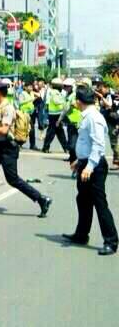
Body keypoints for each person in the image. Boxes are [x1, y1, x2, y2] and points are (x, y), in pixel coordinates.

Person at [0, 80, 52, 217]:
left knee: (12, 179)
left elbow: (3, 130)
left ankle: (41, 199)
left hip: (8, 148)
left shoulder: (8, 108)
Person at [63, 86, 118, 256]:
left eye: (75, 100)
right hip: (86, 163)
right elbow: (87, 143)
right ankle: (81, 234)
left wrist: (89, 166)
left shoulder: (94, 118)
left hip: (94, 167)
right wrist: (80, 161)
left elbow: (99, 145)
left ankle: (111, 240)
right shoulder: (87, 116)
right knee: (83, 200)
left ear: (79, 102)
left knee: (99, 203)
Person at [58, 78, 81, 168]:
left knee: (78, 146)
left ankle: (79, 164)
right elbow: (65, 109)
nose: (66, 88)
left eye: (68, 86)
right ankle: (73, 164)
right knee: (72, 146)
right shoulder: (67, 95)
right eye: (65, 86)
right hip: (71, 124)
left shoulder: (76, 95)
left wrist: (74, 104)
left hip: (79, 124)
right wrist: (59, 119)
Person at [42, 78, 69, 154]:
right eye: (61, 85)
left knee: (59, 132)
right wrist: (65, 102)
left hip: (57, 114)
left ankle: (65, 148)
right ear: (58, 86)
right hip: (54, 115)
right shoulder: (55, 93)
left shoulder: (56, 92)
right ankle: (46, 147)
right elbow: (56, 101)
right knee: (52, 132)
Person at [96, 82, 119, 168]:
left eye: (101, 89)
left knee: (114, 142)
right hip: (111, 121)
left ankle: (117, 162)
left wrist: (101, 97)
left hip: (114, 121)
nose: (100, 91)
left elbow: (109, 106)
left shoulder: (110, 95)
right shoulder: (107, 95)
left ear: (106, 87)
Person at [18, 83, 39, 150]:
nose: (31, 88)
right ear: (25, 87)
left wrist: (34, 96)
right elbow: (20, 102)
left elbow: (38, 95)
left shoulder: (31, 93)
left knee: (31, 130)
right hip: (24, 113)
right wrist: (30, 99)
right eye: (29, 87)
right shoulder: (22, 93)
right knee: (24, 129)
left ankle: (32, 145)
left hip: (31, 113)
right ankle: (19, 143)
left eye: (31, 87)